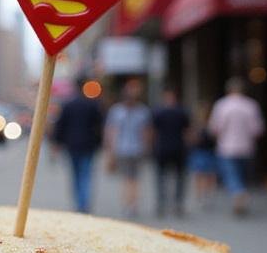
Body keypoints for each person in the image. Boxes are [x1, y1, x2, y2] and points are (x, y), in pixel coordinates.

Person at [209, 78, 265, 216]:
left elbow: (215, 128)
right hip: (246, 147)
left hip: (227, 147)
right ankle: (240, 194)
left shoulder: (222, 105)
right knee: (242, 175)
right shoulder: (251, 105)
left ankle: (238, 193)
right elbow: (257, 129)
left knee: (231, 175)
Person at [51, 77, 104, 214]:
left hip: (72, 145)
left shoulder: (68, 105)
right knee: (86, 174)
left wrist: (57, 144)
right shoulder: (93, 105)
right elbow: (100, 126)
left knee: (75, 174)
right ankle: (83, 203)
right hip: (88, 145)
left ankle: (79, 203)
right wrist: (99, 143)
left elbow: (60, 126)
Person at [104, 77, 152, 219]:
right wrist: (147, 147)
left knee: (126, 179)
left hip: (122, 149)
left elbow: (111, 132)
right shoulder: (143, 111)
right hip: (135, 149)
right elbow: (146, 133)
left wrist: (110, 150)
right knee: (135, 179)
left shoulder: (116, 111)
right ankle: (132, 205)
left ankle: (127, 205)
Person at [151, 86, 190, 218]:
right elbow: (187, 131)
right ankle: (175, 204)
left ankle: (165, 204)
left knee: (163, 178)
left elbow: (153, 131)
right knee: (177, 178)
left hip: (165, 148)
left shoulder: (159, 112)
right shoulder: (181, 111)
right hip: (176, 148)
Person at [189, 100, 218, 208]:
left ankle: (206, 195)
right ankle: (201, 195)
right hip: (200, 151)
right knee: (200, 175)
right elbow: (192, 139)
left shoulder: (213, 124)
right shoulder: (197, 125)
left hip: (209, 151)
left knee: (208, 175)